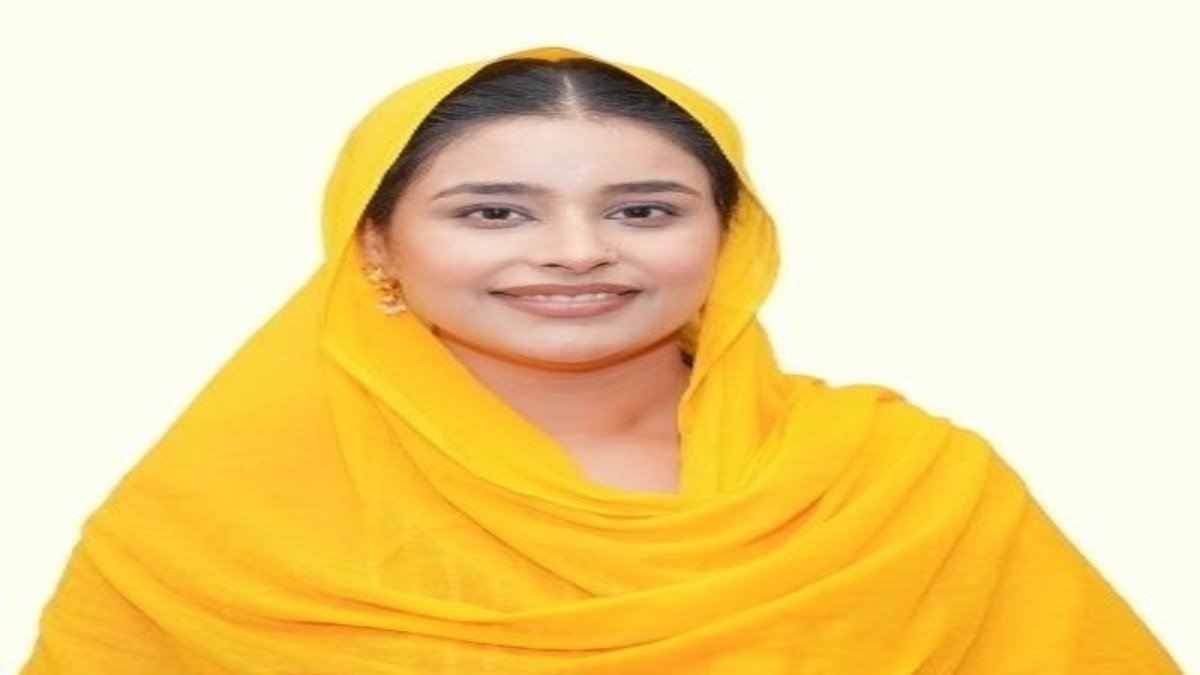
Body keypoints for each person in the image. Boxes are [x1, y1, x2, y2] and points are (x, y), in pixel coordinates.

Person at [21, 45, 1179, 674]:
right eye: (494, 212)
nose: (577, 252)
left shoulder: (899, 483)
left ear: (728, 238)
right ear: (374, 243)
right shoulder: (213, 517)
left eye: (642, 210)